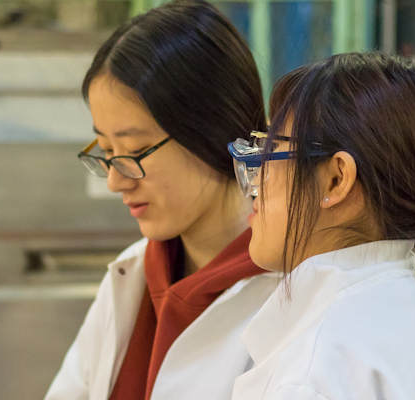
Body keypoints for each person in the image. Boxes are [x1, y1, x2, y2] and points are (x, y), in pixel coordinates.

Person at [227, 52, 415, 399]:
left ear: (337, 179)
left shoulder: (315, 369)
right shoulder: (404, 315)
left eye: (272, 151)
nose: (255, 182)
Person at [46, 1, 276, 399]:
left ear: (212, 128)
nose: (115, 181)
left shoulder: (292, 297)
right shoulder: (131, 280)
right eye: (104, 151)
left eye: (134, 151)